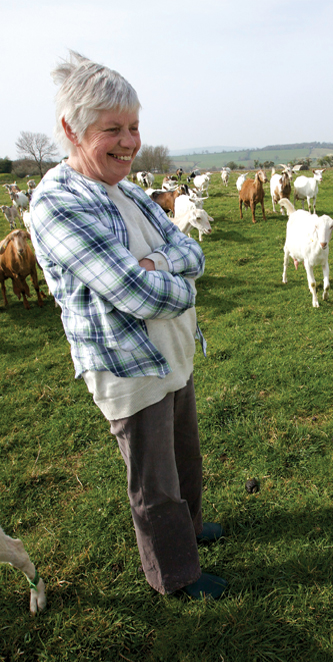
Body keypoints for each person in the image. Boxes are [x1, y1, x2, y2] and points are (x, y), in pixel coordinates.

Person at [29, 51, 226, 600]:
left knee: (185, 457)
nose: (129, 142)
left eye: (134, 127)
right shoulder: (57, 204)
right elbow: (130, 291)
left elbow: (191, 251)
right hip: (127, 366)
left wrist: (159, 263)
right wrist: (176, 280)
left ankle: (189, 532)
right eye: (112, 129)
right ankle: (175, 574)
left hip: (173, 352)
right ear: (72, 130)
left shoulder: (131, 190)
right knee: (155, 482)